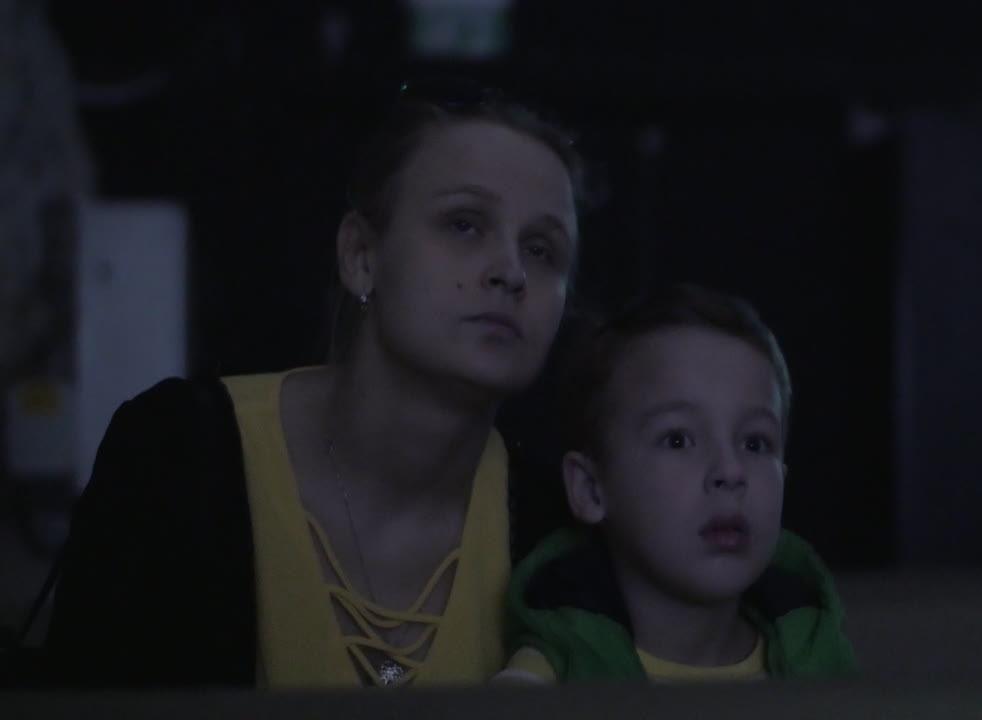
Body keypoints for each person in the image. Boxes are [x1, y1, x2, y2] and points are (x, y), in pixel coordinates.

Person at [42, 80, 583, 689]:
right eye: (464, 224)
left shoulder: (548, 526)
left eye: (541, 249)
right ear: (360, 256)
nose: (511, 271)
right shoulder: (182, 455)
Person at [494, 284, 857, 684]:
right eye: (678, 439)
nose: (730, 471)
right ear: (591, 489)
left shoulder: (817, 662)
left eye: (755, 443)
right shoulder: (547, 678)